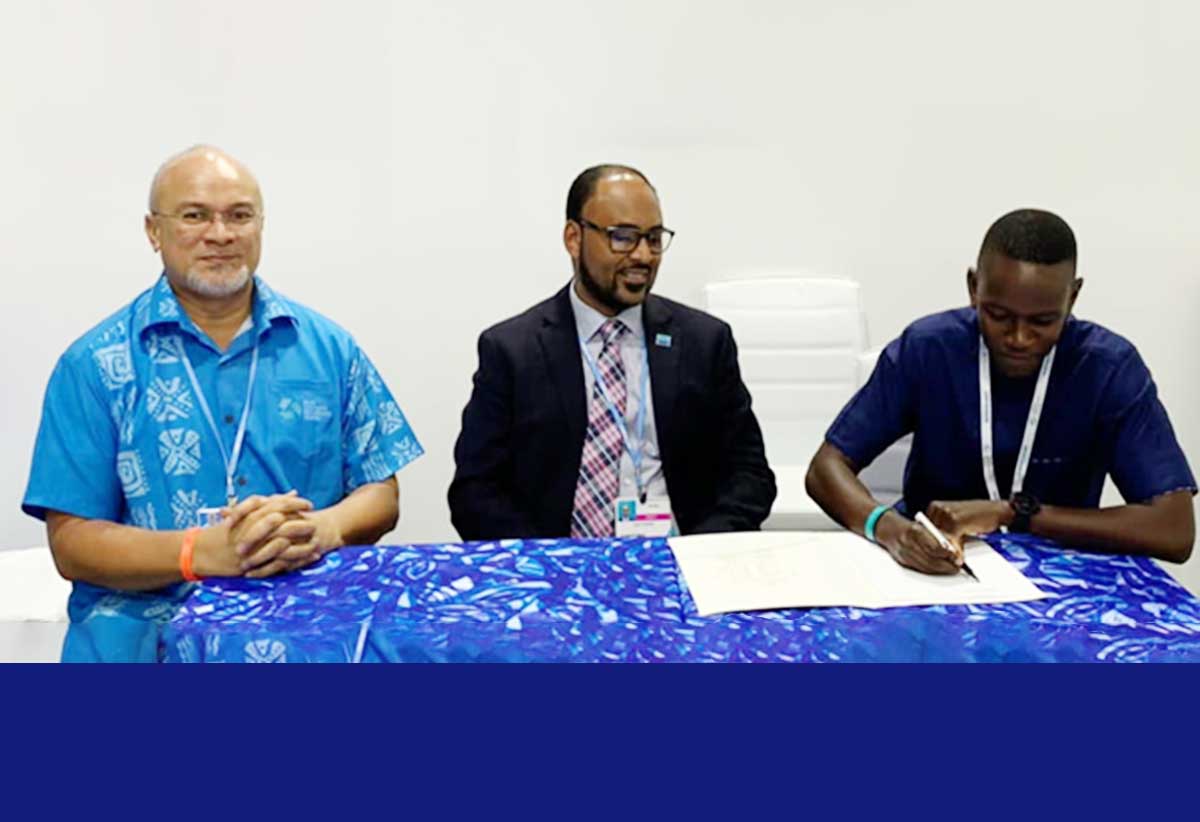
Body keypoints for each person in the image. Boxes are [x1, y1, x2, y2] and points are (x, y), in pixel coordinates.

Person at [22, 145, 423, 659]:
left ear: (260, 227)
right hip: (147, 642)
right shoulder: (94, 365)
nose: (220, 234)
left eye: (239, 216)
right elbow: (72, 543)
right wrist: (196, 553)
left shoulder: (329, 349)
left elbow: (381, 492)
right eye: (194, 215)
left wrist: (325, 527)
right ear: (153, 231)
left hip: (305, 635)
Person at [806, 208, 1195, 574]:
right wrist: (890, 530)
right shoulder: (928, 349)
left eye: (1042, 321)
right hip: (932, 563)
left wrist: (1014, 514)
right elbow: (825, 470)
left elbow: (1174, 530)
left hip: (1063, 571)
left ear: (1072, 297)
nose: (1019, 338)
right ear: (974, 287)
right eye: (998, 315)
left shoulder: (1107, 368)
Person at [449, 164, 775, 540]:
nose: (643, 255)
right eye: (623, 237)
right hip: (557, 569)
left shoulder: (704, 343)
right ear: (574, 238)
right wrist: (548, 565)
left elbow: (750, 474)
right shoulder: (512, 351)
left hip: (681, 560)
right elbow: (475, 491)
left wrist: (702, 552)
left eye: (654, 239)